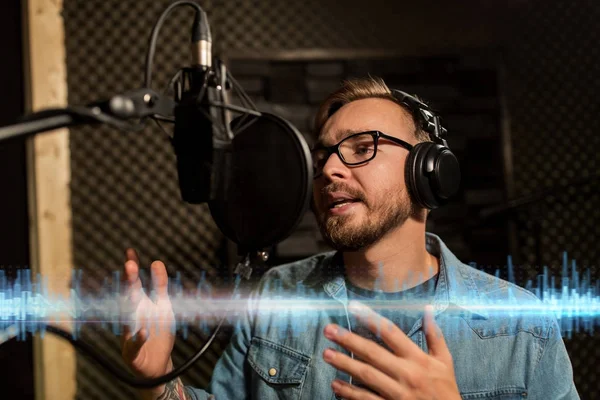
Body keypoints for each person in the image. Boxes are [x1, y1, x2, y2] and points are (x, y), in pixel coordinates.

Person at [120, 77, 579, 400]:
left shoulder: (521, 326)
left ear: (428, 171)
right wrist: (159, 382)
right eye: (324, 156)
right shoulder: (276, 296)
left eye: (363, 148)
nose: (330, 170)